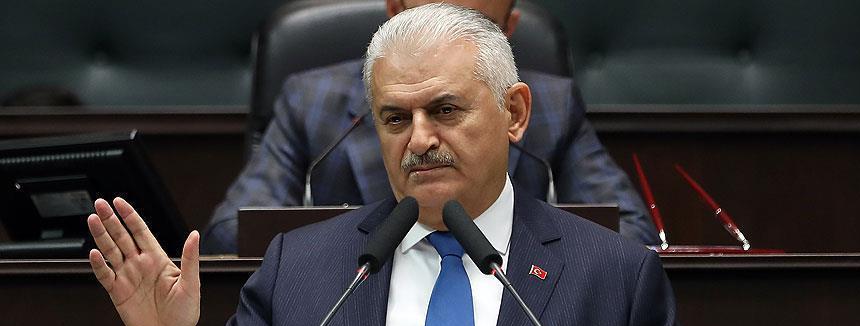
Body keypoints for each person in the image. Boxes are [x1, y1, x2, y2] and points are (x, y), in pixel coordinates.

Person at [87, 4, 732, 326]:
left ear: (514, 113)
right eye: (395, 118)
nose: (418, 139)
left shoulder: (614, 273)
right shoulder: (301, 269)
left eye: (445, 110)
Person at [201, 0, 658, 254]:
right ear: (394, 11)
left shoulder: (550, 104)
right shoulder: (313, 100)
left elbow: (629, 232)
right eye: (428, 23)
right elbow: (231, 233)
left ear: (509, 30)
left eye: (473, 29)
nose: (420, 138)